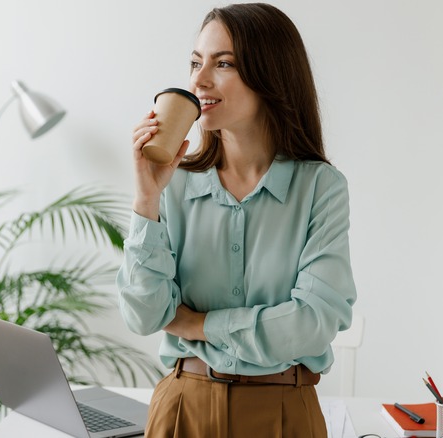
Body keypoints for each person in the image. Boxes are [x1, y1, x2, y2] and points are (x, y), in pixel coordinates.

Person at [116, 3, 357, 437]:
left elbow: (314, 321)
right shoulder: (174, 184)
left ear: (272, 76)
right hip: (182, 409)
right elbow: (145, 314)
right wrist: (146, 199)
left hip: (286, 413)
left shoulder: (321, 188)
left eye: (223, 63)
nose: (199, 79)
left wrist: (198, 324)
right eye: (195, 62)